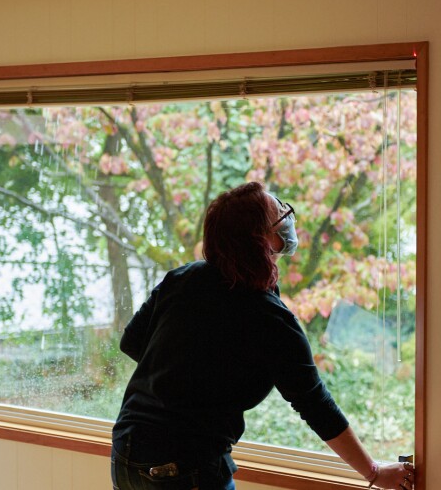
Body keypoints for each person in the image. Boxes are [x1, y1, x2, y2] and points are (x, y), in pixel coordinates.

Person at [110, 182, 416, 490]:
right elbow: (315, 404)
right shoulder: (269, 317)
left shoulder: (182, 279)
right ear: (260, 239)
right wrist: (374, 473)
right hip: (184, 464)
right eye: (281, 215)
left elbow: (133, 341)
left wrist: (192, 375)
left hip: (126, 452)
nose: (288, 219)